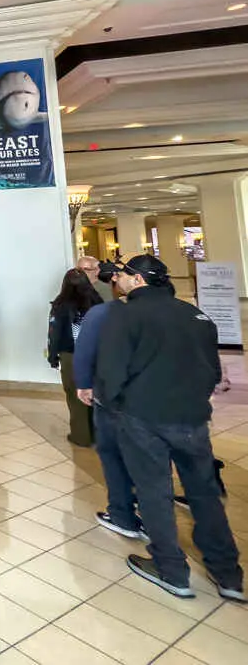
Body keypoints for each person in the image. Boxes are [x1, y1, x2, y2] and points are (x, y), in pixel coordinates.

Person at [95, 255, 244, 602]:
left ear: (138, 280)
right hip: (192, 418)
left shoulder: (126, 315)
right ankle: (228, 575)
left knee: (154, 491)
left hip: (143, 416)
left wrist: (114, 402)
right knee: (204, 493)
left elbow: (111, 371)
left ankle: (171, 570)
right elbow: (212, 371)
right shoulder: (197, 316)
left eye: (126, 276)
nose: (122, 281)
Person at [73, 270, 147, 541]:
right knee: (149, 463)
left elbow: (85, 349)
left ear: (137, 279)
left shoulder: (104, 312)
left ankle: (124, 514)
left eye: (121, 274)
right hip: (156, 402)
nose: (115, 278)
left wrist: (84, 383)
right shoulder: (177, 312)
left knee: (115, 457)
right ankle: (150, 520)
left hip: (115, 398)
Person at [47, 268, 103, 446]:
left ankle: (82, 436)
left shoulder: (61, 304)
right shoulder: (97, 301)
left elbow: (54, 333)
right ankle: (99, 435)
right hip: (96, 354)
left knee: (75, 394)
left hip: (71, 355)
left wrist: (53, 356)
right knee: (96, 394)